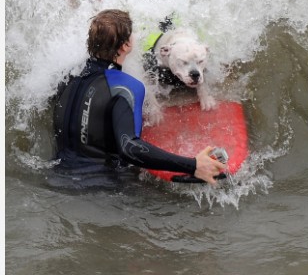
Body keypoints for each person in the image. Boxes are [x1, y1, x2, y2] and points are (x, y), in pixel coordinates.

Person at [53, 9, 226, 185]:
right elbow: (130, 148)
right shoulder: (126, 87)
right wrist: (193, 166)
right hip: (103, 185)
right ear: (126, 46)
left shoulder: (68, 76)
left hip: (58, 177)